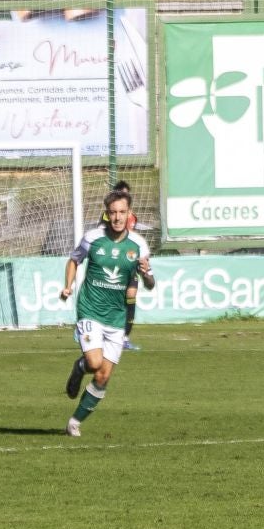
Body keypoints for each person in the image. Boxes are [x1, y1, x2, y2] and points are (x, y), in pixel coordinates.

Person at [60, 182, 154, 437]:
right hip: (90, 310)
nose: (117, 217)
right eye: (113, 212)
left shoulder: (138, 246)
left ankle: (75, 422)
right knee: (94, 362)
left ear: (129, 214)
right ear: (107, 213)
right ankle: (80, 367)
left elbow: (151, 284)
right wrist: (67, 286)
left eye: (122, 212)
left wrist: (147, 277)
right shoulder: (93, 238)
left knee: (102, 377)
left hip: (116, 318)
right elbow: (73, 260)